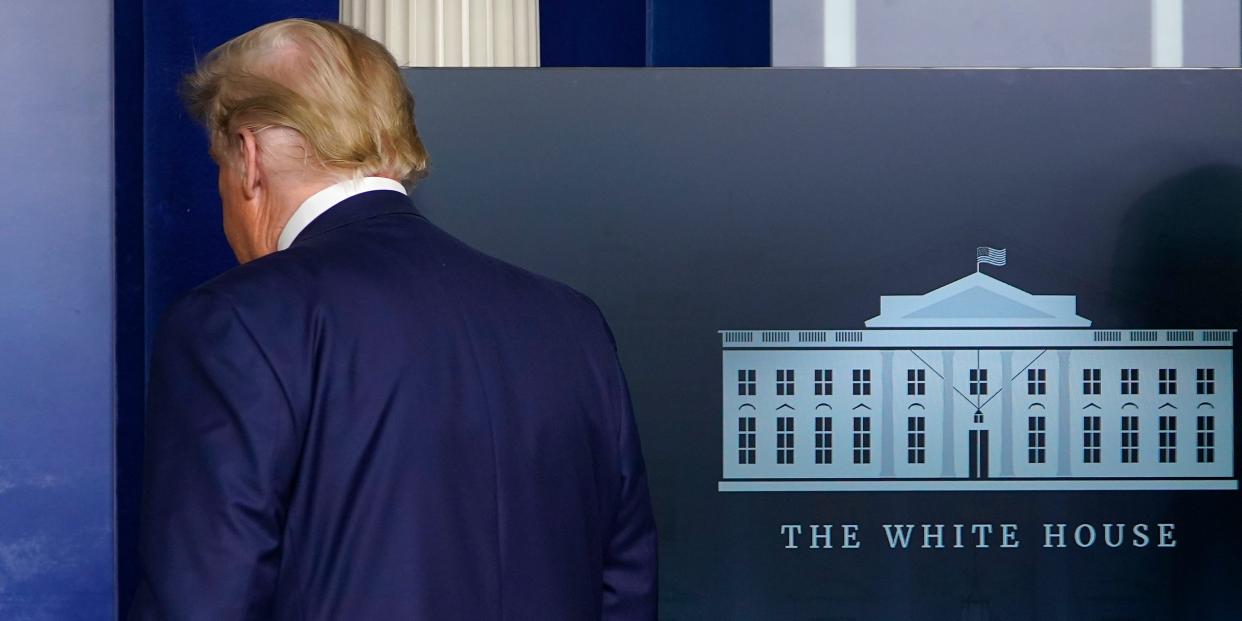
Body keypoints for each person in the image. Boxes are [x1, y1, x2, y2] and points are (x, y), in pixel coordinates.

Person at [129, 18, 656, 620]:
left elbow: (204, 600)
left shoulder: (236, 322)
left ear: (248, 157)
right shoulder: (571, 322)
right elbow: (624, 587)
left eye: (218, 163)